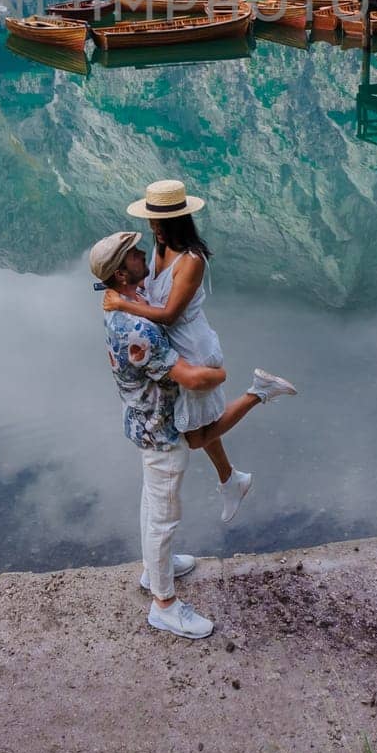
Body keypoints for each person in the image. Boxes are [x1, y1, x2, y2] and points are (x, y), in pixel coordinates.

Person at [102, 179, 297, 525]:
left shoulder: (191, 260)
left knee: (194, 436)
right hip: (172, 345)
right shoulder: (160, 250)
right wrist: (125, 295)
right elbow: (150, 293)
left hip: (192, 346)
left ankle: (258, 393)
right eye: (152, 223)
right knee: (200, 423)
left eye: (160, 224)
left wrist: (123, 305)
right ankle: (230, 479)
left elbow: (169, 314)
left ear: (177, 221)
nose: (154, 230)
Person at [92, 228, 222, 639]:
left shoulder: (130, 301)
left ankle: (153, 571)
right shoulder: (138, 328)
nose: (143, 252)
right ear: (121, 275)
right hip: (161, 430)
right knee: (165, 517)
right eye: (133, 254)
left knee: (152, 501)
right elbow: (193, 378)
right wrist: (220, 374)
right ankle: (164, 605)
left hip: (144, 420)